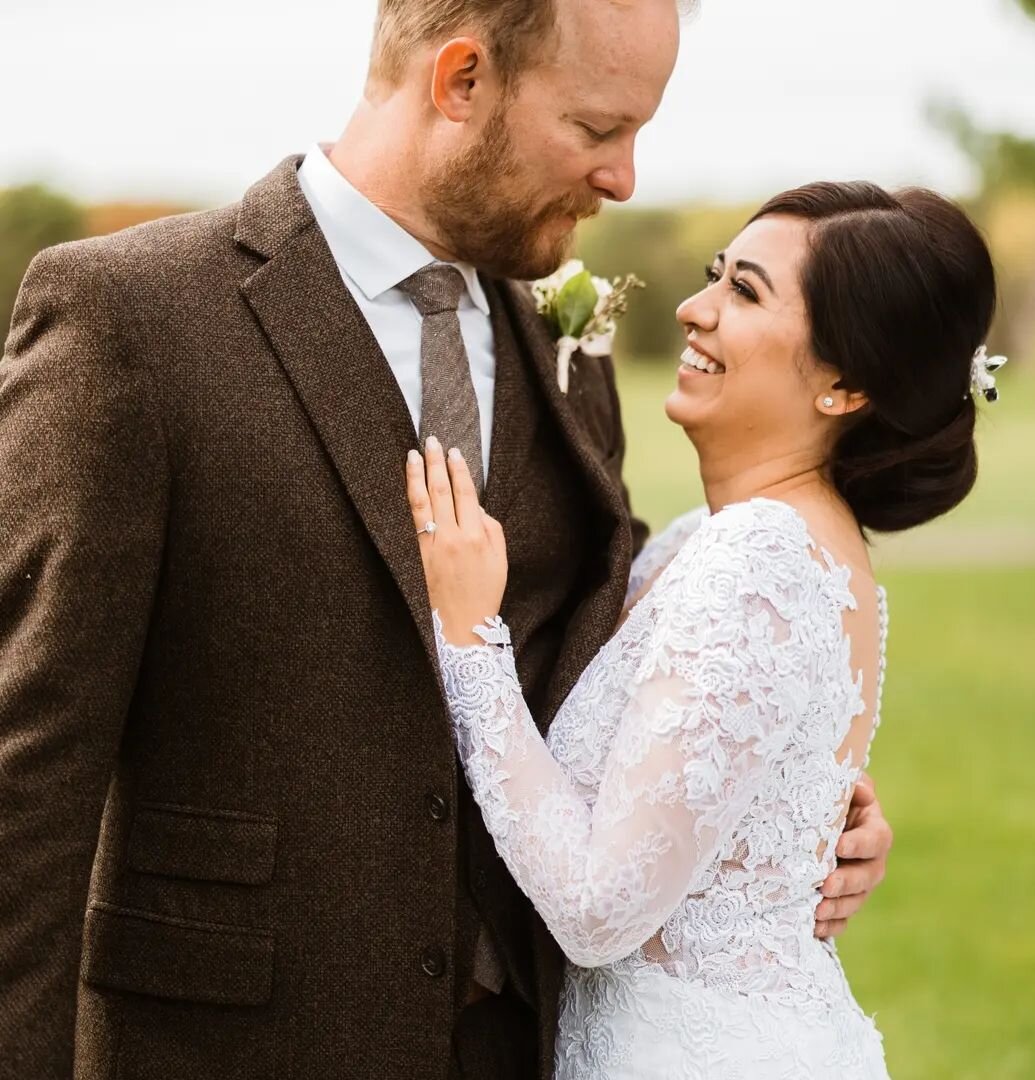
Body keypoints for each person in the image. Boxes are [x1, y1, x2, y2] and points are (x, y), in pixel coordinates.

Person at [0, 3, 893, 1078]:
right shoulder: (130, 320)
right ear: (462, 80)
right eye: (599, 130)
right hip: (237, 1044)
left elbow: (609, 634)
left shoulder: (567, 344)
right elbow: (24, 773)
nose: (625, 180)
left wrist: (781, 795)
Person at [406, 181, 1001, 1078]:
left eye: (746, 292)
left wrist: (467, 637)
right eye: (716, 274)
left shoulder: (762, 560)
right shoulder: (716, 543)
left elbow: (600, 909)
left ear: (844, 385)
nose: (694, 308)